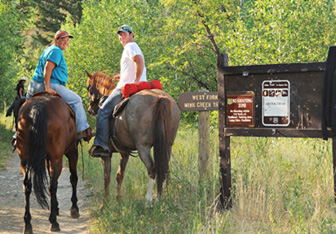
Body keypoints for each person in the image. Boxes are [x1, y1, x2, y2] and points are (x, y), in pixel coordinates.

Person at [89, 25, 147, 157]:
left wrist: (135, 81)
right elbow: (135, 64)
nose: (122, 37)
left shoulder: (130, 46)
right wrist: (123, 75)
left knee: (103, 111)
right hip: (135, 82)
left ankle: (102, 145)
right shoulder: (133, 47)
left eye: (124, 34)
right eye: (120, 35)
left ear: (132, 35)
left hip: (125, 87)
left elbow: (139, 61)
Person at [25, 29, 92, 141]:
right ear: (56, 40)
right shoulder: (56, 51)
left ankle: (17, 135)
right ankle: (82, 129)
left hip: (33, 86)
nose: (66, 42)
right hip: (51, 84)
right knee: (77, 100)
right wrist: (47, 88)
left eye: (67, 40)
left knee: (25, 108)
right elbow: (48, 68)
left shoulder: (48, 49)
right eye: (63, 39)